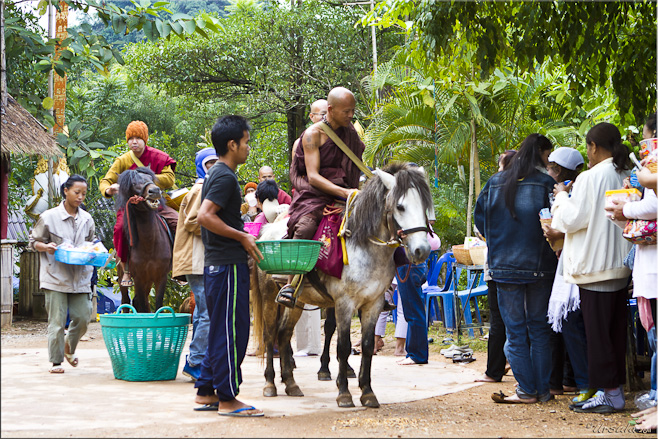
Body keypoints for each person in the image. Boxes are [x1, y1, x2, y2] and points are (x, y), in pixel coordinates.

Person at [551, 122, 632, 414]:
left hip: (594, 268)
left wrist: (561, 196)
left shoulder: (590, 177)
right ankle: (614, 389)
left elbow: (572, 220)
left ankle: (609, 394)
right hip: (620, 267)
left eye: (588, 147)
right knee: (614, 332)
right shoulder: (628, 173)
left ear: (594, 147)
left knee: (598, 335)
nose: (588, 153)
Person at [475, 133, 558, 404]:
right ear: (541, 154)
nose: (548, 162)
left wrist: (499, 243)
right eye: (548, 156)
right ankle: (542, 390)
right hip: (540, 265)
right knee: (539, 328)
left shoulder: (494, 183)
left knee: (515, 330)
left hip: (504, 267)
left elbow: (481, 225)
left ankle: (526, 390)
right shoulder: (547, 184)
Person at [194, 115, 264, 417]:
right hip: (226, 266)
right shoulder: (224, 177)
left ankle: (207, 391)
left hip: (218, 266)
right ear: (232, 144)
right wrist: (243, 238)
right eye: (246, 142)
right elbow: (205, 216)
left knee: (220, 330)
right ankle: (227, 398)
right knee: (231, 332)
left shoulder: (219, 174)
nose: (248, 147)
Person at [277, 88, 364, 308]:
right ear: (331, 110)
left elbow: (354, 165)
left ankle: (380, 286)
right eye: (346, 111)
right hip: (314, 195)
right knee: (306, 227)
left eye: (353, 111)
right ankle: (291, 284)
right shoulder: (312, 135)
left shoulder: (350, 132)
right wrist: (344, 193)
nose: (350, 116)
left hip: (346, 192)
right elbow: (313, 177)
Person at [605, 114, 657, 412]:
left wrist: (625, 207)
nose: (644, 145)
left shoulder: (653, 167)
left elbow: (653, 205)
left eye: (646, 137)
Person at [98, 120, 178, 288]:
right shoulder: (123, 160)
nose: (134, 141)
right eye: (130, 138)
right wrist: (109, 189)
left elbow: (170, 178)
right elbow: (105, 181)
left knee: (178, 222)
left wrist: (147, 179)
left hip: (155, 203)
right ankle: (126, 268)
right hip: (130, 207)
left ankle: (178, 266)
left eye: (138, 138)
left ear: (145, 139)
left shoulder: (158, 156)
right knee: (120, 229)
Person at [29, 175, 95, 374]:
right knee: (56, 322)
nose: (80, 197)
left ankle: (69, 347)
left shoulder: (87, 219)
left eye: (83, 193)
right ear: (65, 191)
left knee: (83, 316)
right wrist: (46, 246)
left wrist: (93, 252)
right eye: (76, 192)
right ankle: (56, 362)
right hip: (55, 277)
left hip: (80, 277)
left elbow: (90, 242)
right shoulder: (49, 217)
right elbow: (33, 242)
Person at [542, 147, 593, 401]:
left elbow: (575, 221)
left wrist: (557, 233)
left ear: (559, 170)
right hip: (570, 263)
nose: (548, 170)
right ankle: (577, 381)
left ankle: (585, 383)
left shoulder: (572, 190)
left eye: (551, 167)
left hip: (577, 266)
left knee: (573, 323)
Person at [172, 147, 218, 382]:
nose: (214, 167)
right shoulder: (201, 189)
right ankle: (196, 362)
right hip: (195, 259)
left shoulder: (207, 188)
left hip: (201, 259)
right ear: (202, 166)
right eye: (209, 164)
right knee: (208, 312)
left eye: (216, 163)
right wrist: (221, 229)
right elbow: (192, 222)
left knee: (202, 312)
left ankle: (197, 360)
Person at [475, 149, 515, 383]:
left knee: (498, 320)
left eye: (500, 166)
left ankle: (494, 370)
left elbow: (481, 224)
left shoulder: (496, 189)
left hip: (499, 265)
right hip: (528, 265)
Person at [396, 230, 441, 365]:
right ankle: (413, 352)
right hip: (410, 262)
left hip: (409, 262)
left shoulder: (411, 219)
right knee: (412, 310)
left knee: (413, 310)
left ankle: (417, 355)